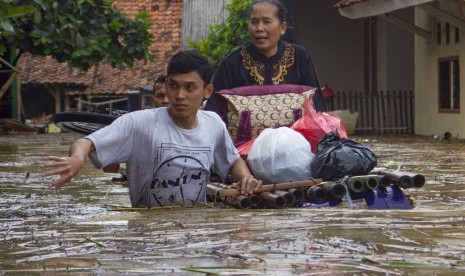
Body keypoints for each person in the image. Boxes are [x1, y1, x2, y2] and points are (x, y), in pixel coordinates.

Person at [41, 50, 262, 207]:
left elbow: (232, 160)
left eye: (190, 87)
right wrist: (76, 159)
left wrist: (245, 178)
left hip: (197, 225)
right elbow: (85, 142)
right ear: (166, 85)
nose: (179, 95)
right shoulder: (138, 123)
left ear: (207, 91)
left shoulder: (213, 123)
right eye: (173, 85)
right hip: (148, 226)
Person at [205, 0, 325, 113]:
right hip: (245, 135)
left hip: (293, 134)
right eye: (254, 22)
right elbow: (215, 109)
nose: (259, 28)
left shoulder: (299, 56)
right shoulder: (232, 63)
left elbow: (316, 104)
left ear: (282, 28)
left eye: (266, 21)